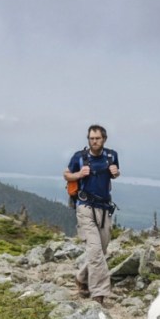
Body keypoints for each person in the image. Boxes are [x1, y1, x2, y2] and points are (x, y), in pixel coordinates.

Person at [64, 124, 120, 306]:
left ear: (104, 139)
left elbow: (114, 174)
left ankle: (81, 277)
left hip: (104, 209)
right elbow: (66, 174)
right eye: (91, 138)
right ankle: (99, 294)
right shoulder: (79, 157)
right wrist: (79, 174)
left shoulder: (112, 156)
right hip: (85, 208)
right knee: (95, 251)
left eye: (97, 138)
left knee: (100, 251)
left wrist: (116, 173)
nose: (94, 141)